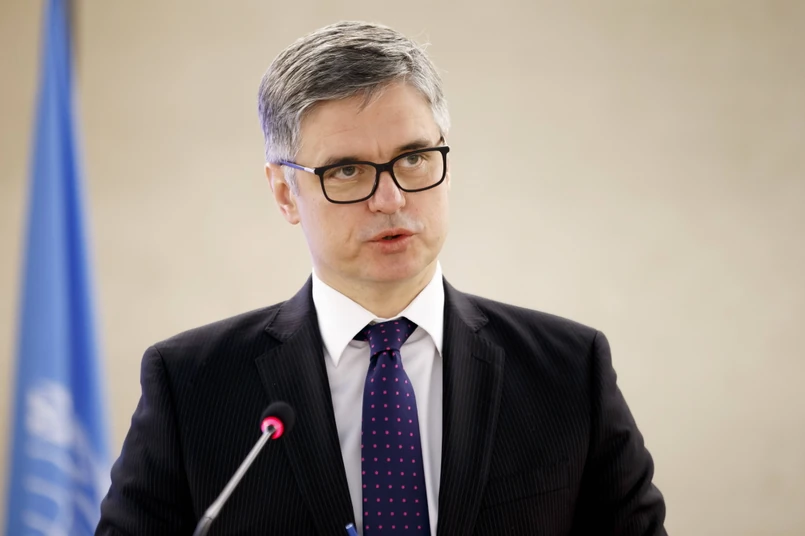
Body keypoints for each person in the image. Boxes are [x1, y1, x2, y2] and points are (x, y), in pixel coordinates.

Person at [96, 20, 667, 536]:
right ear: (284, 193)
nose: (390, 199)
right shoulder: (191, 384)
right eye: (347, 170)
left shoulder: (568, 370)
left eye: (414, 158)